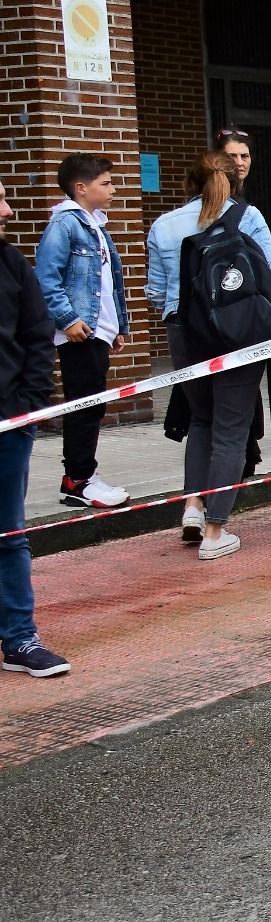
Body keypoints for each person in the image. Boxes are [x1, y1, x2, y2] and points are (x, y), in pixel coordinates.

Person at [146, 152, 271, 560]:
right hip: (239, 332)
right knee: (232, 426)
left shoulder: (164, 225)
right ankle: (214, 533)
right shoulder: (248, 217)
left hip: (184, 333)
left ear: (189, 183)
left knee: (201, 419)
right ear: (231, 181)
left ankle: (193, 507)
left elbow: (156, 293)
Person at [0, 179, 71, 677]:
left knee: (9, 533)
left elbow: (37, 336)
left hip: (9, 421)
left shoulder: (11, 264)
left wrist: (27, 406)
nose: (6, 210)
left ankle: (20, 638)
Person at [33, 154, 130, 509]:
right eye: (105, 183)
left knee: (92, 406)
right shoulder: (66, 225)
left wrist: (118, 325)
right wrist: (68, 319)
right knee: (85, 407)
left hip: (97, 333)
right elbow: (46, 279)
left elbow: (109, 283)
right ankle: (78, 480)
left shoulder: (96, 226)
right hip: (80, 334)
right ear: (80, 187)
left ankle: (82, 476)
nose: (113, 189)